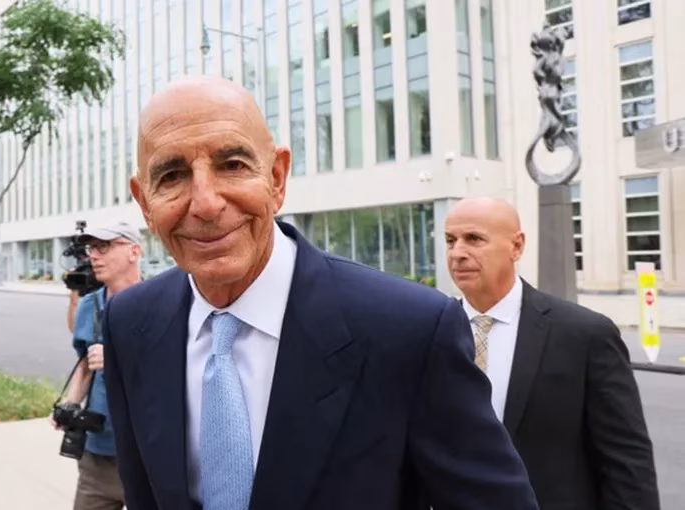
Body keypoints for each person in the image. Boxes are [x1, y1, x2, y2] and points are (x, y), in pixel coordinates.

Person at [102, 75, 538, 509]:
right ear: (144, 202)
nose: (206, 203)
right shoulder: (130, 322)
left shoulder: (411, 329)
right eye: (172, 176)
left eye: (232, 165)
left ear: (277, 177)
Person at [444, 196, 659, 510]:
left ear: (516, 246)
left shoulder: (585, 334)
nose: (457, 253)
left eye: (474, 239)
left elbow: (627, 460)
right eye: (450, 240)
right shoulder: (430, 332)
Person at [56, 220, 144, 510]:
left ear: (134, 251)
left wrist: (117, 360)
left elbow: (174, 373)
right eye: (91, 248)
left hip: (146, 455)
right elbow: (85, 365)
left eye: (103, 247)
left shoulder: (160, 303)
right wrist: (70, 406)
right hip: (96, 456)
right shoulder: (88, 305)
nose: (93, 255)